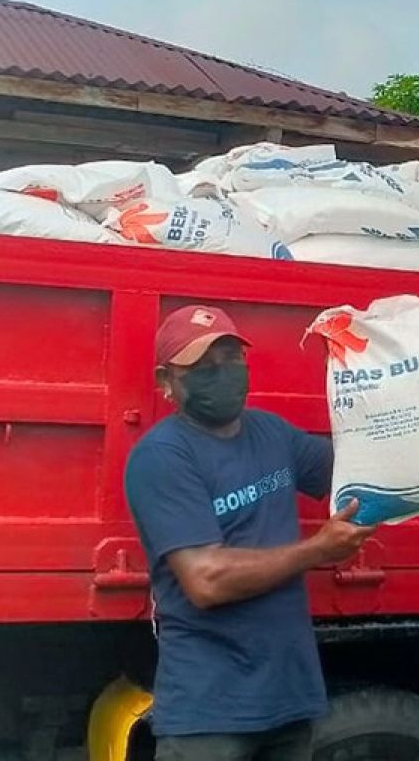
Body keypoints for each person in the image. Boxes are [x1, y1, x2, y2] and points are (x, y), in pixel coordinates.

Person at [124, 304, 375, 761]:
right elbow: (206, 579)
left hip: (289, 701)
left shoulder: (270, 433)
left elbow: (359, 474)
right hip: (211, 713)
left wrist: (388, 396)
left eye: (230, 359)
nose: (222, 373)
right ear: (166, 383)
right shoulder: (161, 457)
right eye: (202, 367)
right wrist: (317, 549)